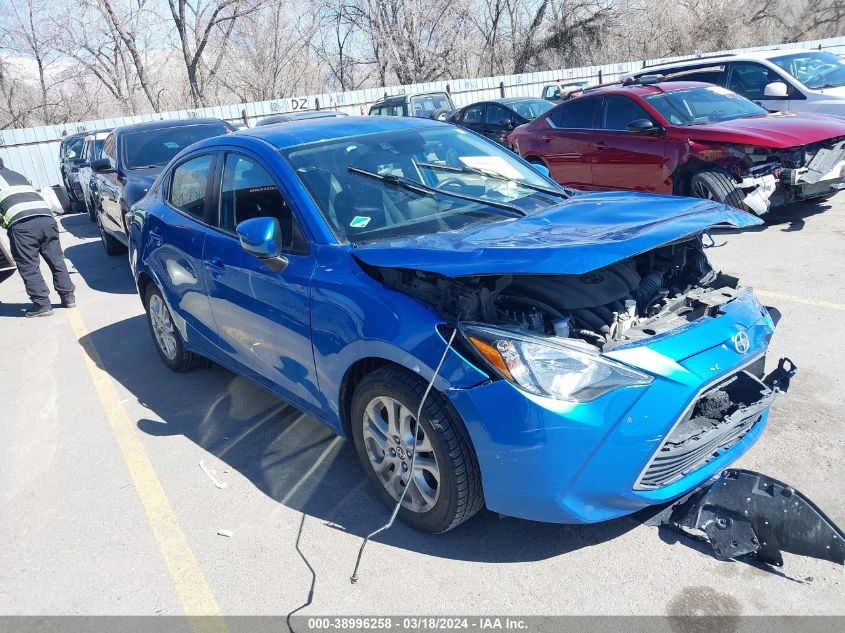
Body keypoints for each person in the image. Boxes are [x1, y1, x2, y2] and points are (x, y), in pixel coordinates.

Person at [0, 157, 76, 317]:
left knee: (28, 265)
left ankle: (42, 304)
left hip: (23, 224)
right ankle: (68, 297)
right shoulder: (17, 175)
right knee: (56, 260)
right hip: (46, 218)